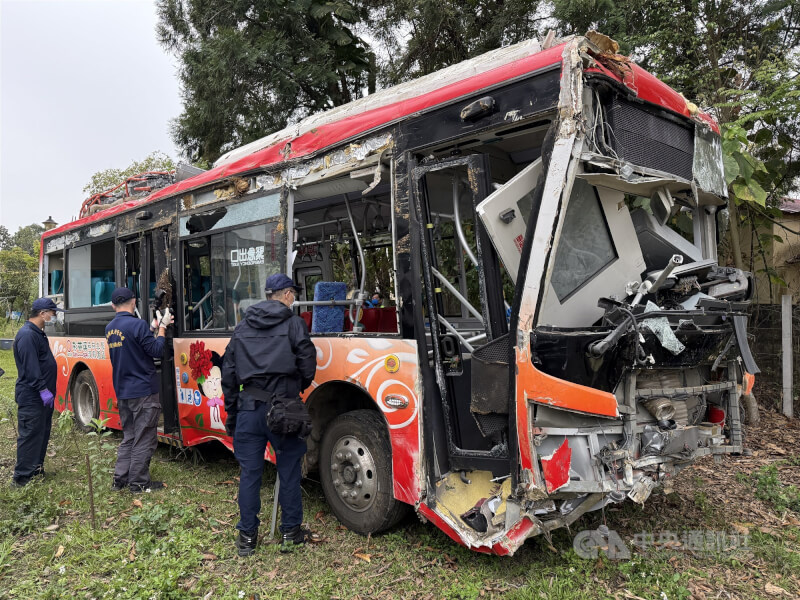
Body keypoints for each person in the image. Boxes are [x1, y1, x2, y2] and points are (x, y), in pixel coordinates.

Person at [222, 273, 316, 556]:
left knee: (249, 474)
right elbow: (308, 366)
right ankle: (290, 533)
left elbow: (228, 374)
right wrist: (290, 390)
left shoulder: (241, 328)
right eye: (294, 294)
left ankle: (248, 539)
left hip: (248, 410)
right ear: (286, 294)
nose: (294, 298)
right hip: (284, 412)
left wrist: (232, 412)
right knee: (288, 472)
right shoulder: (294, 324)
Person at [105, 287, 173, 493]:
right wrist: (162, 328)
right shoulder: (137, 325)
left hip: (123, 390)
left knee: (130, 436)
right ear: (134, 302)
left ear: (113, 305)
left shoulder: (110, 328)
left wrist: (150, 329)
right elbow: (156, 351)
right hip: (143, 390)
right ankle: (139, 483)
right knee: (145, 437)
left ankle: (120, 479)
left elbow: (133, 346)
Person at [12, 298, 64, 487]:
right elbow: (31, 368)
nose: (54, 316)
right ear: (42, 313)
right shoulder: (27, 335)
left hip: (42, 396)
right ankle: (22, 478)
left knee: (41, 432)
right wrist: (43, 389)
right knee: (30, 434)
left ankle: (36, 470)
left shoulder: (37, 333)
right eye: (52, 312)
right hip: (32, 396)